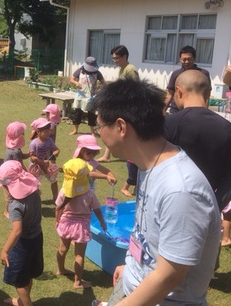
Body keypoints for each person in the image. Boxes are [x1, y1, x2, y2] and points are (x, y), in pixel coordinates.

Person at [92, 77, 221, 306]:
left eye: (99, 127)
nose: (98, 133)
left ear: (121, 127)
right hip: (133, 285)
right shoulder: (149, 165)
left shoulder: (181, 190)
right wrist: (131, 267)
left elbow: (168, 276)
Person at [164, 70, 231, 248]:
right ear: (209, 93)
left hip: (173, 207)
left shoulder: (170, 123)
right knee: (204, 261)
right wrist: (216, 204)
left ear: (178, 91)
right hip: (210, 207)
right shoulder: (227, 128)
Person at [55, 158, 106, 289]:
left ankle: (60, 269)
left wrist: (57, 221)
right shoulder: (89, 193)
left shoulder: (64, 191)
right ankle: (77, 282)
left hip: (66, 223)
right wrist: (102, 222)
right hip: (81, 227)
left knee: (62, 249)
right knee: (79, 255)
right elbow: (98, 211)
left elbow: (58, 208)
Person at [0, 160, 43, 306]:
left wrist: (5, 250)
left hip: (22, 245)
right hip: (37, 238)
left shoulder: (15, 205)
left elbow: (17, 230)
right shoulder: (35, 191)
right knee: (28, 274)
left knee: (19, 282)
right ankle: (21, 302)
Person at [97, 45, 139, 163]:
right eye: (113, 59)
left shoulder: (130, 69)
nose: (115, 61)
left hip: (128, 106)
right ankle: (107, 155)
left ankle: (128, 155)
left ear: (124, 56)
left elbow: (135, 89)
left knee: (122, 130)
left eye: (117, 58)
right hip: (121, 104)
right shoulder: (122, 68)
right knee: (115, 128)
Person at [163, 45, 211, 114]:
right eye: (184, 59)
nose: (186, 62)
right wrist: (163, 110)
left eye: (189, 59)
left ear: (194, 58)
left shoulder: (203, 74)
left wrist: (204, 112)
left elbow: (207, 94)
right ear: (180, 59)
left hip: (195, 111)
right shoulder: (175, 74)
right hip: (176, 111)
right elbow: (170, 94)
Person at [68, 57, 105, 136]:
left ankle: (93, 132)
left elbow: (104, 83)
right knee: (77, 113)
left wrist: (100, 91)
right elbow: (72, 79)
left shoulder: (97, 73)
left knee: (91, 114)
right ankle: (75, 130)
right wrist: (76, 83)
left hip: (91, 96)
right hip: (80, 95)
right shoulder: (80, 70)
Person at [28, 118, 60, 201]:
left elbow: (56, 149)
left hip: (47, 165)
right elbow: (32, 157)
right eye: (45, 131)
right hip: (36, 167)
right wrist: (41, 162)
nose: (48, 133)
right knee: (35, 184)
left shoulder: (49, 140)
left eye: (48, 131)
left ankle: (56, 198)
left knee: (54, 181)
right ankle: (34, 199)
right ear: (38, 132)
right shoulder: (34, 143)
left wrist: (56, 152)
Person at [3, 121, 30, 218]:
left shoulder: (11, 147)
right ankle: (6, 211)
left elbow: (21, 156)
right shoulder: (16, 151)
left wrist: (29, 154)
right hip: (9, 176)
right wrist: (29, 174)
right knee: (9, 195)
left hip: (7, 173)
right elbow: (20, 165)